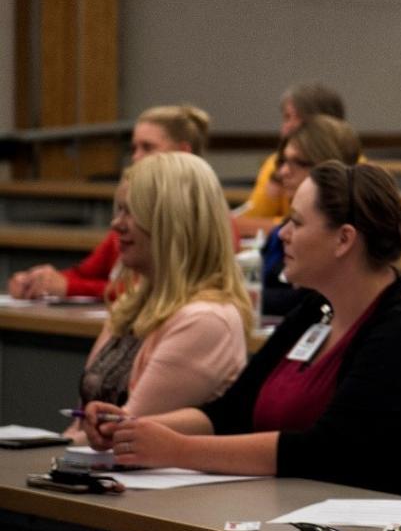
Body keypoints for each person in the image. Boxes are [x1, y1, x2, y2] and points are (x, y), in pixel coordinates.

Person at [84, 162, 401, 500]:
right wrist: (134, 432)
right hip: (314, 515)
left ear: (343, 240)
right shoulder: (316, 309)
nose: (282, 234)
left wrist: (178, 450)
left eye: (296, 222)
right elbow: (231, 412)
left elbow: (327, 452)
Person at [65, 153, 251, 442]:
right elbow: (81, 426)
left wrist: (45, 453)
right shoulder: (133, 304)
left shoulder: (206, 320)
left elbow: (118, 435)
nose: (116, 224)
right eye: (119, 210)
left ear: (171, 222)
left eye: (131, 212)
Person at [8, 104, 209, 300]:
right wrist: (38, 281)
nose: (136, 157)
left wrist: (70, 287)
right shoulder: (126, 224)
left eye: (147, 147)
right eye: (133, 148)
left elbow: (157, 290)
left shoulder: (202, 220)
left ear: (183, 152)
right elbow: (85, 273)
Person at [260, 115, 362, 317]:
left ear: (328, 167)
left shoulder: (343, 235)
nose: (283, 172)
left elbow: (305, 302)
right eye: (283, 161)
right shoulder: (279, 233)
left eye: (297, 162)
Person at [232, 83, 345, 237]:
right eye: (286, 118)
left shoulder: (352, 171)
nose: (286, 128)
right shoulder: (276, 163)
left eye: (293, 118)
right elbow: (249, 219)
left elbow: (324, 226)